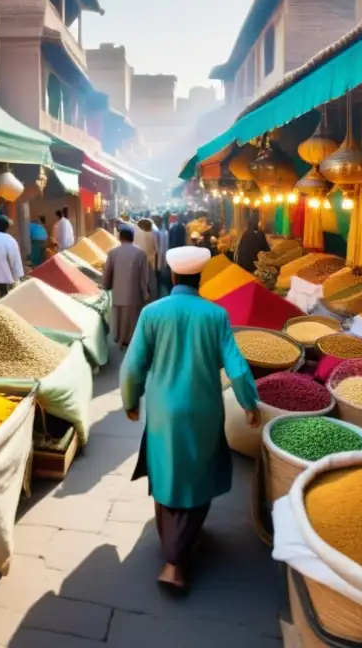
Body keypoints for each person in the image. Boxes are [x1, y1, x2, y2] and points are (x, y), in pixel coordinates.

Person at [121, 246, 261, 591]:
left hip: (164, 410)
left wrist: (130, 399)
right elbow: (237, 367)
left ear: (171, 276)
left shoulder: (153, 313)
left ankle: (174, 554)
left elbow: (133, 365)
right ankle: (175, 561)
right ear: (201, 278)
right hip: (203, 408)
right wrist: (249, 403)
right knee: (198, 476)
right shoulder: (216, 315)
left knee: (167, 474)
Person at [102, 227, 150, 349]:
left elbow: (107, 272)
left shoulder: (113, 253)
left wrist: (105, 286)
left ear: (120, 237)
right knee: (132, 317)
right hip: (135, 293)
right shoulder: (140, 253)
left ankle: (119, 338)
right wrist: (145, 292)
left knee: (119, 316)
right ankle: (130, 340)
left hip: (118, 291)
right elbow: (145, 276)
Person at [0, 215, 24, 300]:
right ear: (7, 227)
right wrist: (18, 278)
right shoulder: (9, 240)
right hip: (4, 282)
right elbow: (15, 261)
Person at [134, 218, 159, 300]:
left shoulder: (135, 233)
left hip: (137, 262)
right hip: (149, 262)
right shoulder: (152, 235)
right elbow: (156, 248)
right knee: (152, 284)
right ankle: (151, 300)